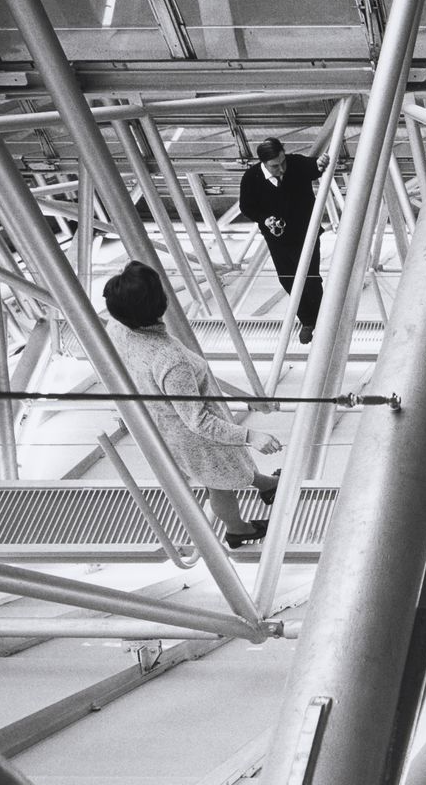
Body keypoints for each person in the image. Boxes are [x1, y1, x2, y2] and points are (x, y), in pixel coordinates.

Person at [104, 260, 283, 548]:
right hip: (197, 437)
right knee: (220, 485)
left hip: (165, 421)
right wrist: (251, 436)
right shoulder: (169, 360)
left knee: (231, 468)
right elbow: (198, 421)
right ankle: (238, 529)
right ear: (159, 304)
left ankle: (267, 486)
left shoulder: (118, 328)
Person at [238, 137, 331, 345]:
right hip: (278, 240)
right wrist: (265, 219)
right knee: (288, 280)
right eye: (275, 166)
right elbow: (246, 206)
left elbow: (313, 167)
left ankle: (321, 321)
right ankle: (308, 320)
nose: (281, 169)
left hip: (306, 235)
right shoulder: (251, 178)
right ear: (263, 163)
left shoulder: (295, 163)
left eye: (283, 162)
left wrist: (320, 163)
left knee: (311, 278)